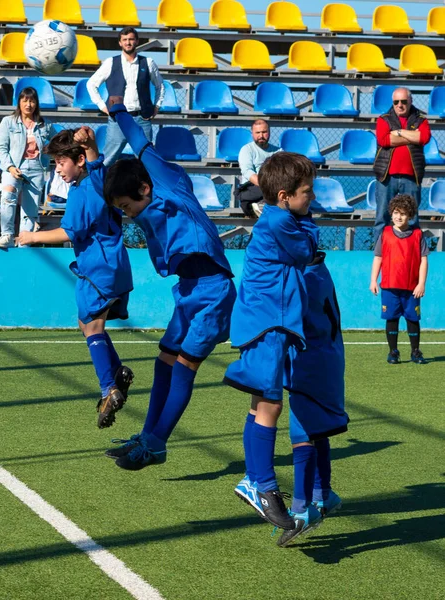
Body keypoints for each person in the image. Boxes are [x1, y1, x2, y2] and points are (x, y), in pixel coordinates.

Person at [96, 104, 237, 471]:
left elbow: (141, 144)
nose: (127, 213)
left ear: (144, 188)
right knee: (164, 363)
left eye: (128, 205)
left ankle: (157, 445)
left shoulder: (168, 183)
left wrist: (119, 111)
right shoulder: (141, 202)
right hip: (188, 290)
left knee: (184, 367)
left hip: (214, 292)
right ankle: (146, 437)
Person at [223, 152, 320, 530]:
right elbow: (308, 250)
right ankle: (261, 485)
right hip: (268, 322)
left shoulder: (280, 216)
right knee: (270, 406)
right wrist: (307, 222)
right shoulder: (281, 220)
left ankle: (256, 481)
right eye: (306, 193)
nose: (311, 198)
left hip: (267, 321)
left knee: (259, 406)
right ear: (284, 196)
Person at [17, 128, 134, 428]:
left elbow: (69, 232)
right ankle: (118, 372)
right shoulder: (96, 178)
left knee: (93, 325)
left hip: (98, 267)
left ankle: (109, 388)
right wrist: (91, 141)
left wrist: (32, 236)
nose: (57, 169)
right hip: (113, 264)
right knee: (86, 323)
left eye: (60, 162)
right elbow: (94, 162)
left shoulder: (82, 192)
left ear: (77, 160)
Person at [277, 251, 348, 547]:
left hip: (311, 362)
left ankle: (300, 508)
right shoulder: (317, 269)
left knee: (301, 433)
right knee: (316, 429)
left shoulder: (303, 278)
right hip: (325, 357)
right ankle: (324, 495)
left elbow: (283, 317)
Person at [86, 26, 165, 167]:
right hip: (118, 119)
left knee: (146, 161)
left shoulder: (148, 63)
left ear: (137, 41)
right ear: (120, 43)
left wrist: (157, 106)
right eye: (125, 40)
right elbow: (91, 84)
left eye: (131, 39)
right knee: (108, 160)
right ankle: (99, 187)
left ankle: (146, 189)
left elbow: (160, 86)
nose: (128, 42)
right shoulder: (111, 62)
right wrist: (103, 107)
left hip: (142, 119)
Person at [370, 194, 429, 365]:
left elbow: (424, 260)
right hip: (389, 287)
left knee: (412, 319)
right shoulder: (385, 233)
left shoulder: (418, 235)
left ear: (410, 216)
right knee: (392, 318)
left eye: (403, 213)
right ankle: (393, 352)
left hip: (412, 288)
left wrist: (421, 283)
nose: (399, 216)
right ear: (391, 213)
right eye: (396, 212)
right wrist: (373, 280)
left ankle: (415, 351)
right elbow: (378, 258)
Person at [0, 87, 55, 249]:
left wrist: (48, 156)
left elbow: (57, 143)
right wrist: (10, 167)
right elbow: (1, 148)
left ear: (37, 103)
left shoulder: (45, 124)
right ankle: (6, 235)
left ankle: (24, 242)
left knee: (30, 209)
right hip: (14, 168)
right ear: (19, 102)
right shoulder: (8, 122)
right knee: (8, 197)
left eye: (32, 100)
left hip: (36, 169)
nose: (29, 104)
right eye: (25, 100)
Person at [373, 87, 431, 242]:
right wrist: (413, 136)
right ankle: (380, 253)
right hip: (387, 176)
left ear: (411, 101)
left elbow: (424, 137)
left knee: (411, 217)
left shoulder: (421, 119)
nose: (400, 105)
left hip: (411, 177)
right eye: (396, 102)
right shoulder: (383, 119)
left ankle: (411, 250)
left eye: (404, 101)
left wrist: (398, 132)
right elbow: (384, 140)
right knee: (382, 217)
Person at [236, 119, 280, 218]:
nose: (261, 136)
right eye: (258, 133)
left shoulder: (278, 151)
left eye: (264, 132)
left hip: (273, 187)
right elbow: (247, 171)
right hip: (252, 187)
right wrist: (265, 185)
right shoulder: (246, 150)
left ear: (269, 132)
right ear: (252, 134)